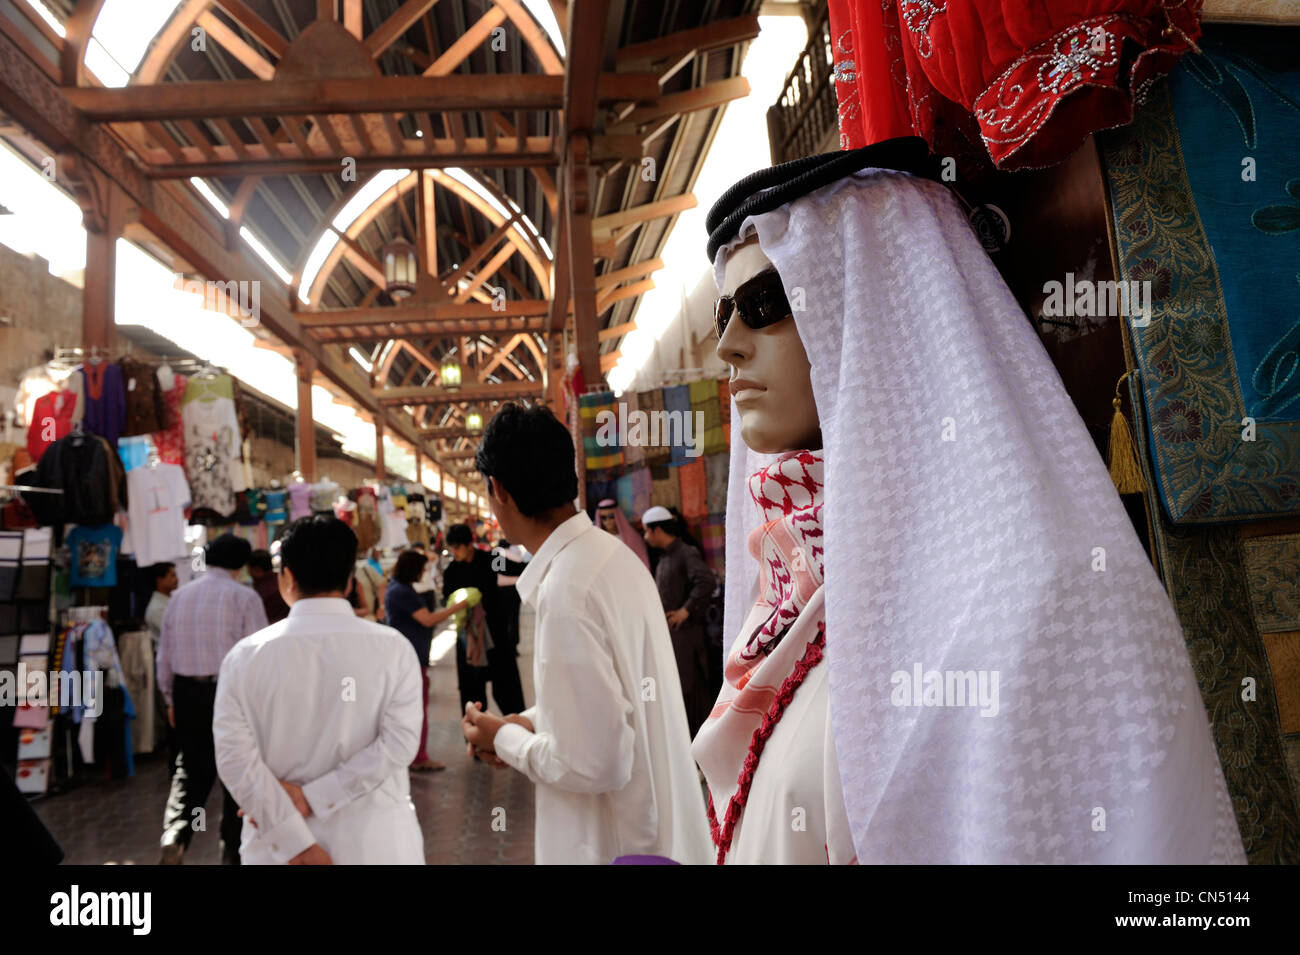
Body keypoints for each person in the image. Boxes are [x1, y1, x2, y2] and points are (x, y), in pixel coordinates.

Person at [695, 141, 1243, 863]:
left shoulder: (1045, 596)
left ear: (882, 302)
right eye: (724, 309)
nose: (728, 345)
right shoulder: (786, 599)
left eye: (766, 303)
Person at [460, 403, 710, 865]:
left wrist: (504, 740)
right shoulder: (611, 558)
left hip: (615, 847)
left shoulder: (567, 592)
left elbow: (593, 761)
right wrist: (532, 721)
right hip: (658, 838)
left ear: (498, 491)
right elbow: (614, 698)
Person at [213, 516, 427, 865]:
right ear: (349, 581)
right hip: (376, 843)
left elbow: (235, 760)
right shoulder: (394, 648)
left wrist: (293, 837)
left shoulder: (245, 657)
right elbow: (400, 744)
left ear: (288, 576)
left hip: (276, 850)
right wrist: (316, 796)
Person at [155, 533, 267, 865]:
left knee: (191, 768)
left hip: (187, 691)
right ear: (241, 564)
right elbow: (256, 656)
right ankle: (231, 852)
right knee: (236, 770)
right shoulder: (244, 597)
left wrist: (170, 698)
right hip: (229, 694)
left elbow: (165, 656)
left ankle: (175, 834)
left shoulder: (179, 597)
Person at [385, 549, 467, 772]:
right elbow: (428, 619)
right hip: (411, 658)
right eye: (422, 569)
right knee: (416, 708)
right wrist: (457, 608)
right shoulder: (403, 592)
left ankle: (413, 756)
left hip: (409, 657)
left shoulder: (398, 588)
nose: (423, 573)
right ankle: (418, 757)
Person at [641, 505, 715, 740]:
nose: (645, 537)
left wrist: (685, 610)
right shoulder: (666, 556)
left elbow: (706, 581)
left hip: (687, 639)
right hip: (674, 639)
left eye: (647, 531)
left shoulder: (685, 552)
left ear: (658, 530)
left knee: (693, 695)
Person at [443, 523, 527, 717]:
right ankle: (476, 739)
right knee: (472, 693)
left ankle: (521, 730)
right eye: (451, 548)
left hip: (496, 635)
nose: (454, 552)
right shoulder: (452, 571)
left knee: (507, 688)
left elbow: (516, 569)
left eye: (457, 547)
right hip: (469, 638)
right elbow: (447, 599)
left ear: (469, 544)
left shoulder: (491, 559)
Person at [143, 562, 179, 764]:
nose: (176, 579)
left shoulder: (169, 602)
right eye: (171, 575)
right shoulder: (156, 608)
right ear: (159, 579)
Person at [595, 499, 651, 570]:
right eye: (604, 518)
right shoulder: (597, 540)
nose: (608, 521)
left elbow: (642, 561)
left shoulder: (632, 538)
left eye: (611, 516)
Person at [247, 549, 289, 624]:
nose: (248, 573)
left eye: (249, 569)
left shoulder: (262, 592)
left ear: (257, 570)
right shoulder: (282, 580)